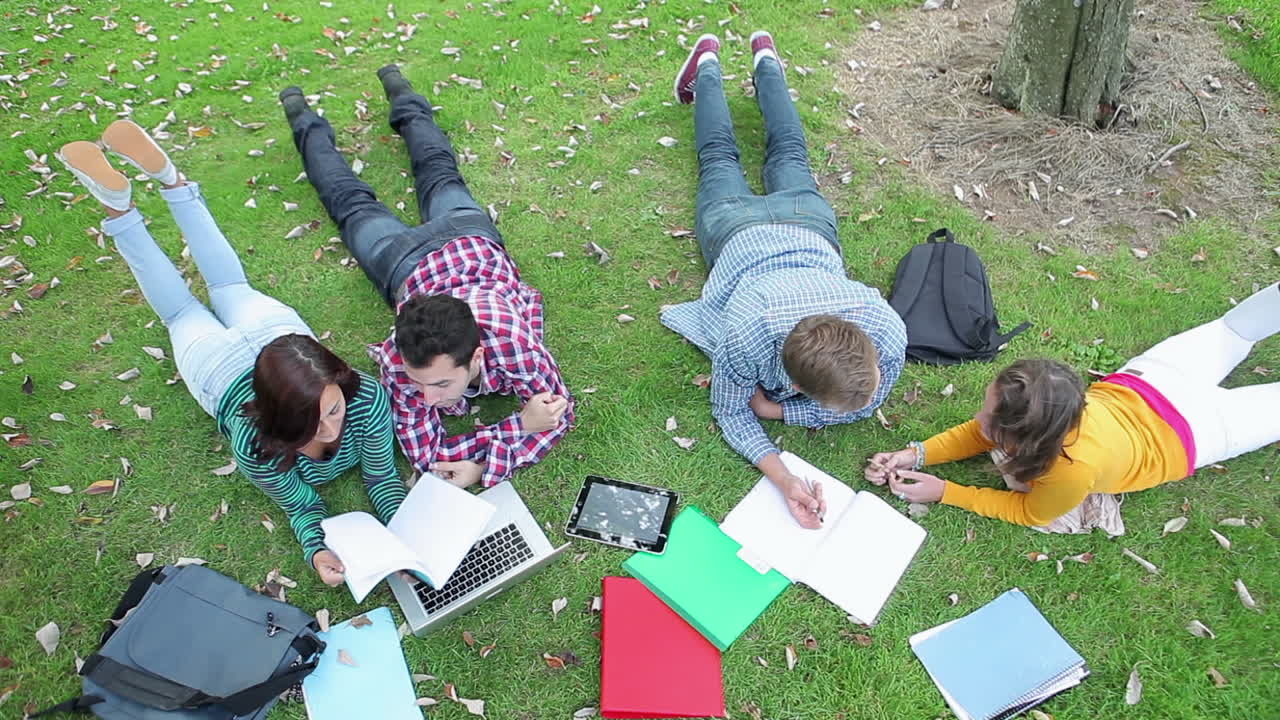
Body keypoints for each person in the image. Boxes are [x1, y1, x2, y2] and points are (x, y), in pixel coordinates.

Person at [55, 121, 405, 587]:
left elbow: (383, 476)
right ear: (276, 419)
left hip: (277, 336)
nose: (330, 427)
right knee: (181, 309)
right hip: (217, 368)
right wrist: (316, 546)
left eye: (334, 409)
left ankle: (160, 186)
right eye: (309, 423)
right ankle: (125, 200)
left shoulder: (366, 399)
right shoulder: (255, 443)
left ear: (340, 385)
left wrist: (404, 533)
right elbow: (299, 503)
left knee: (227, 286)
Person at [279, 65, 572, 490]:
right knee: (352, 198)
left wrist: (481, 463)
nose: (428, 399)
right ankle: (302, 116)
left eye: (439, 384)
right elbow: (427, 455)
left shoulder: (511, 340)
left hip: (449, 247)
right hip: (427, 255)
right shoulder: (403, 359)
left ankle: (400, 92)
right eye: (423, 384)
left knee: (422, 174)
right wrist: (513, 432)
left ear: (475, 359)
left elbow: (559, 413)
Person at [664, 32, 907, 529]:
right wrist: (779, 449)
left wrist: (778, 420)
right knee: (719, 157)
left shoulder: (887, 332)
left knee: (788, 152)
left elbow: (867, 403)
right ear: (792, 384)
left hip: (807, 226)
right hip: (737, 232)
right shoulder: (746, 335)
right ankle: (716, 65)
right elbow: (733, 413)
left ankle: (751, 60)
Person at [865, 283, 1280, 529]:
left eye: (990, 419)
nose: (977, 420)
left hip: (1198, 434)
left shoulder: (1069, 470)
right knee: (1234, 328)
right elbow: (982, 432)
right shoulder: (1043, 412)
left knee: (1249, 352)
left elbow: (1030, 511)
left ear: (1026, 442)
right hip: (1152, 381)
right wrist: (914, 453)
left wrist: (947, 492)